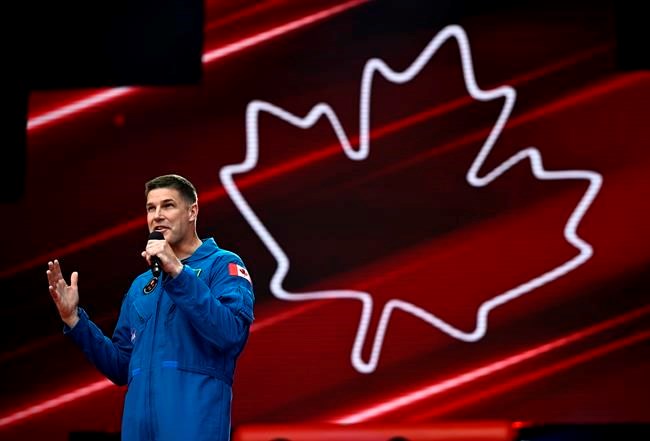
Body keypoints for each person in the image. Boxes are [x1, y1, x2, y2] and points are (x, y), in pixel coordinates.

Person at [46, 174, 255, 441]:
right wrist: (75, 320)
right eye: (150, 208)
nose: (157, 215)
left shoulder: (222, 265)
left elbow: (231, 335)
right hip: (138, 429)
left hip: (193, 425)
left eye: (168, 205)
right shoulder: (141, 284)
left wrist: (179, 273)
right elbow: (122, 367)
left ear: (192, 211)